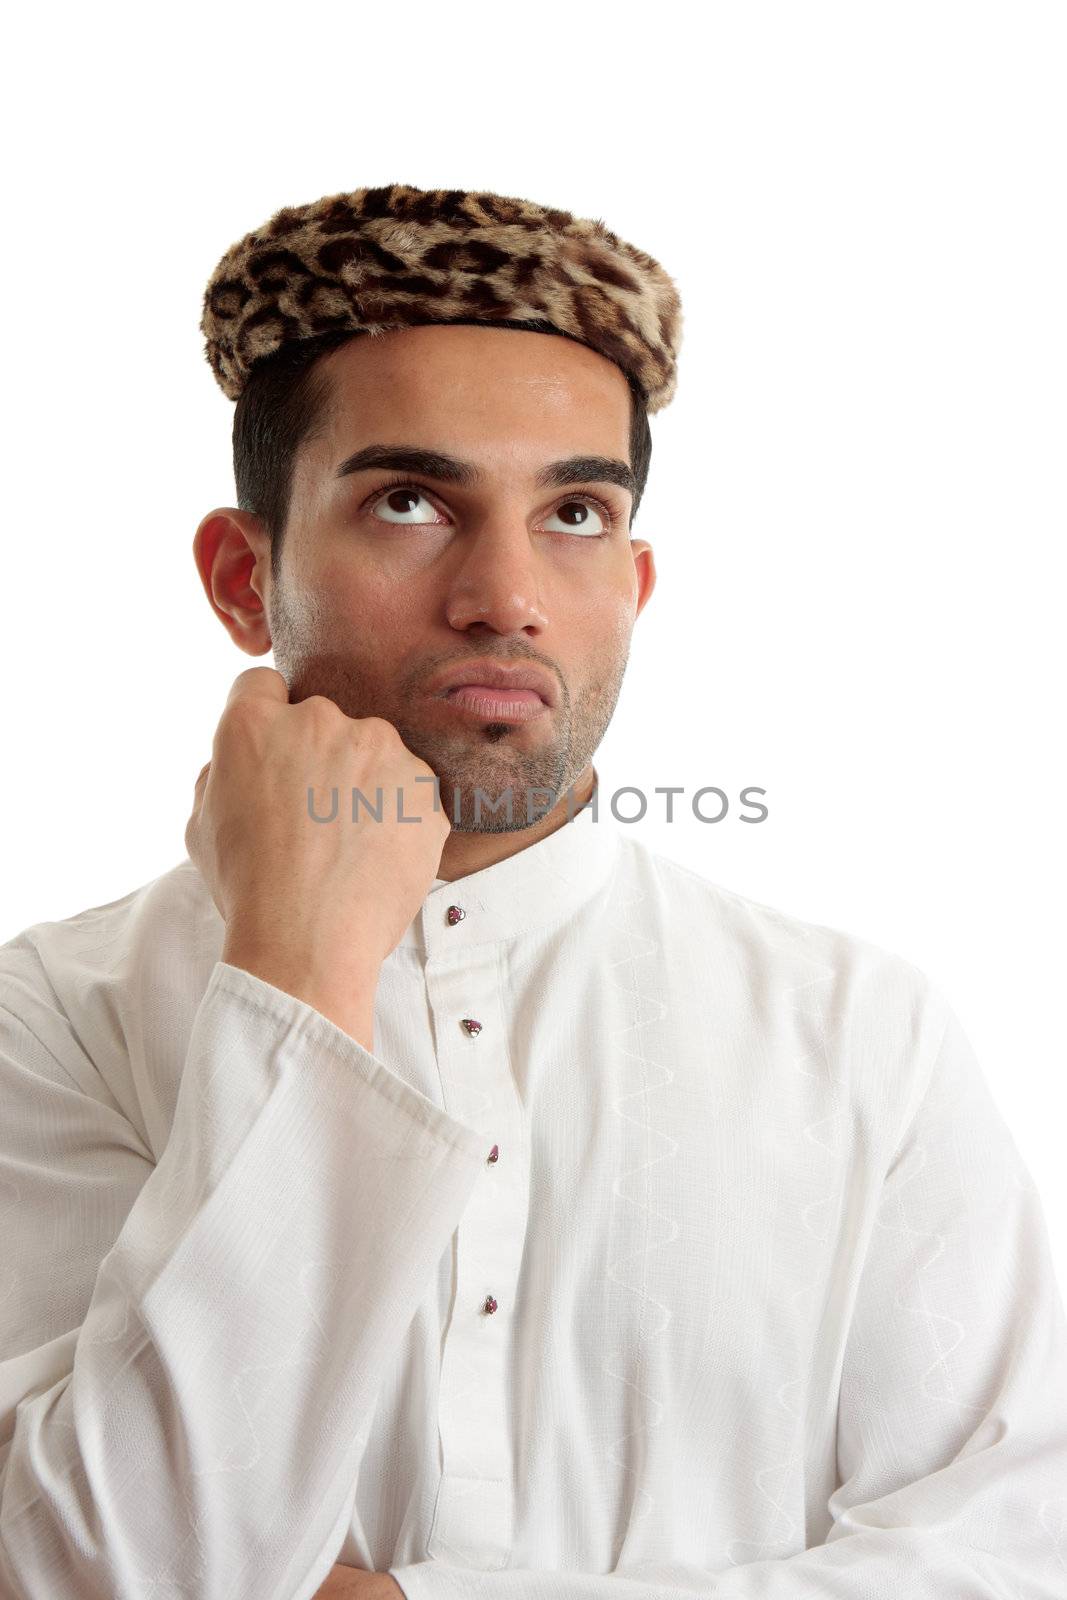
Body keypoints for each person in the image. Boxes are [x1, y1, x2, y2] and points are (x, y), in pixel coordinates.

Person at [1, 183, 1064, 1600]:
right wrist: (296, 979)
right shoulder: (60, 1018)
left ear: (633, 580)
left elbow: (1008, 1553)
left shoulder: (859, 1030)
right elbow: (91, 1567)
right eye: (409, 500)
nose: (504, 594)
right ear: (243, 575)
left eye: (572, 511)